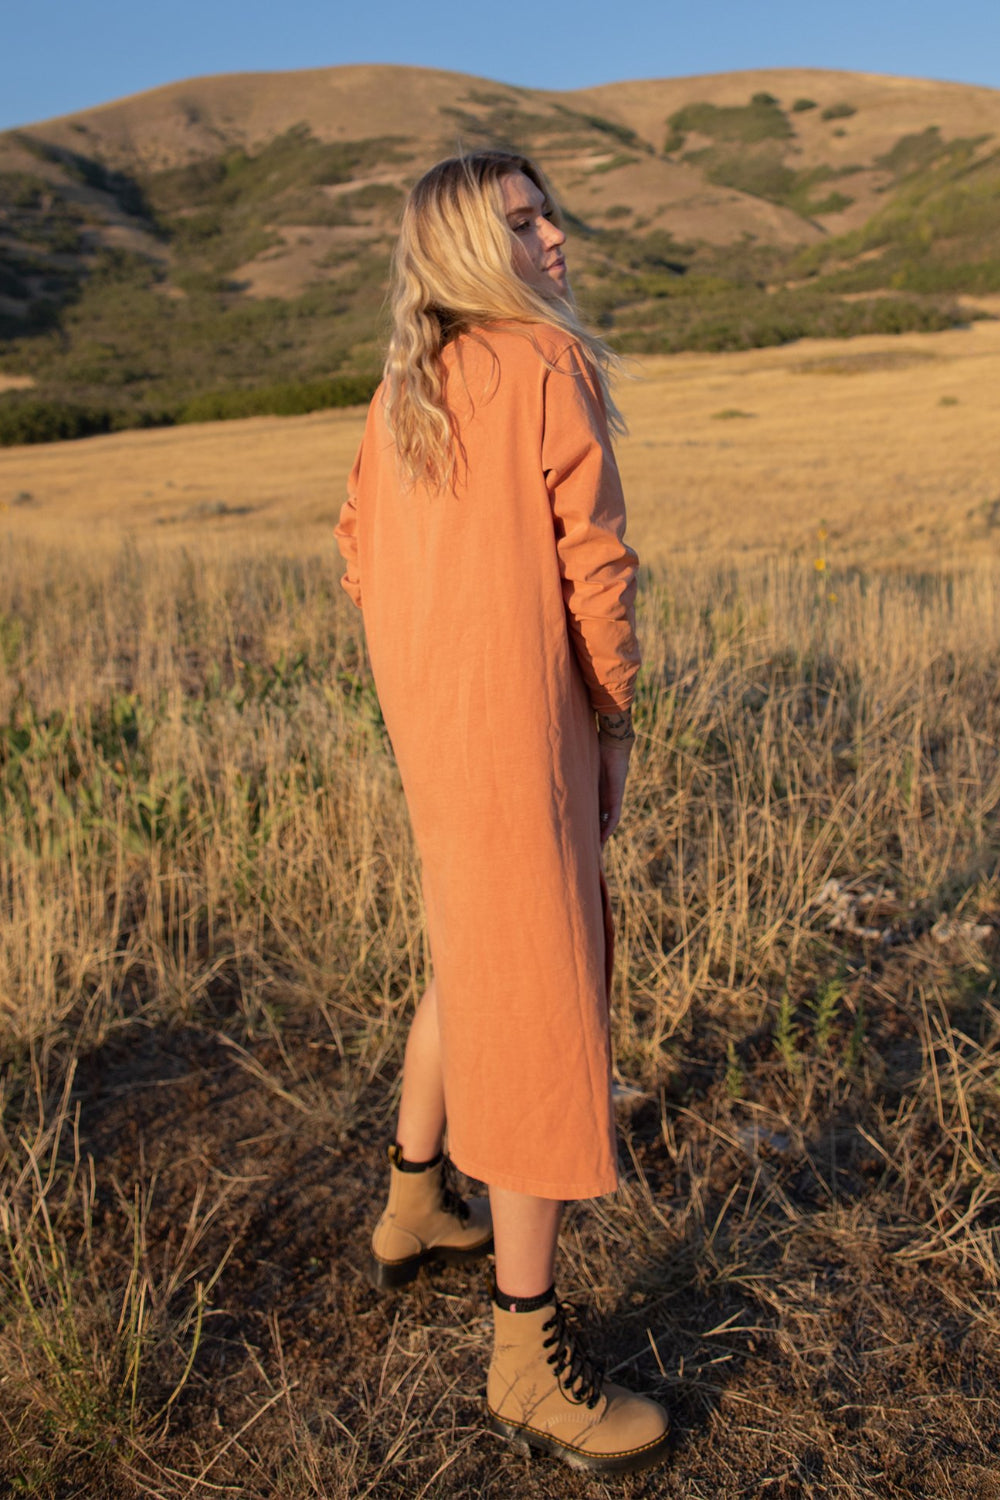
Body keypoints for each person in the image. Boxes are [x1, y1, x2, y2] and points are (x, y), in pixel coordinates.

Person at [334, 149, 669, 1476]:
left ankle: (416, 1204)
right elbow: (598, 565)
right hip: (522, 725)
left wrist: (434, 653)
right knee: (533, 1002)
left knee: (476, 952)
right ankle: (528, 1357)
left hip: (439, 722)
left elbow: (357, 548)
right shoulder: (545, 364)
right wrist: (614, 717)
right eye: (523, 222)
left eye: (549, 214)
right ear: (471, 247)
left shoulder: (402, 386)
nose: (556, 238)